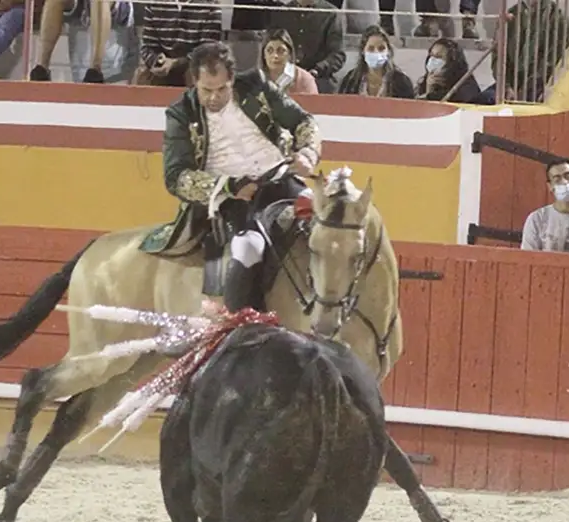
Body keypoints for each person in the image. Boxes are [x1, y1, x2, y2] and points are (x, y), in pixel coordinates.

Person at [162, 41, 321, 314]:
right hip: (231, 197)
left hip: (280, 178)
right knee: (248, 247)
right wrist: (229, 186)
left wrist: (307, 152)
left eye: (222, 89)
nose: (213, 97)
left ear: (232, 79)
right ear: (193, 82)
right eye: (206, 90)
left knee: (326, 221)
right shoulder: (180, 113)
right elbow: (175, 177)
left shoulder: (256, 85)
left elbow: (304, 121)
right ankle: (239, 326)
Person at [337, 25, 414, 99]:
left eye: (381, 48)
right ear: (363, 51)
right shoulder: (350, 81)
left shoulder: (402, 83)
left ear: (388, 51)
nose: (376, 52)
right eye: (371, 48)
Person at [415, 37, 492, 104]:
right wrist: (429, 87)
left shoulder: (465, 84)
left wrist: (430, 96)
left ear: (451, 61)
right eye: (431, 55)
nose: (432, 60)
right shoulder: (426, 81)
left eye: (438, 57)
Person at [258, 28, 317, 95]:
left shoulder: (305, 79)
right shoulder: (253, 80)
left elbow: (315, 105)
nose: (275, 56)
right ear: (264, 55)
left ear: (289, 54)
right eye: (270, 51)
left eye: (281, 51)